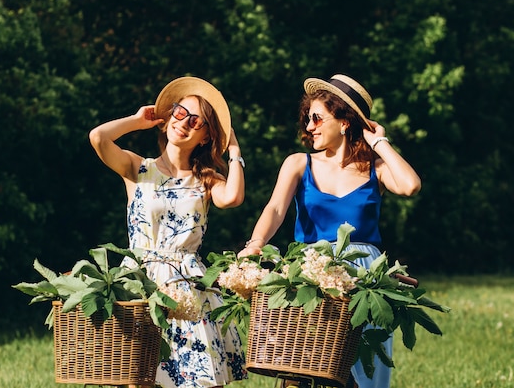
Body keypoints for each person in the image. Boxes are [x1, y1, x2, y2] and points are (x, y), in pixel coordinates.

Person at [237, 74, 421, 388]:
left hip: (365, 278)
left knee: (363, 367)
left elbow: (410, 185)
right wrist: (256, 243)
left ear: (345, 122)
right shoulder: (298, 163)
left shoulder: (375, 169)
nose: (310, 127)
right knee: (304, 362)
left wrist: (380, 142)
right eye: (308, 119)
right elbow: (276, 209)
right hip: (312, 271)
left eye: (318, 118)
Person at [89, 76, 247, 388]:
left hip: (186, 287)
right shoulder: (138, 168)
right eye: (178, 112)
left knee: (193, 378)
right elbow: (98, 138)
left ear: (205, 137)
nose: (183, 123)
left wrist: (234, 149)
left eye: (195, 120)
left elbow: (234, 197)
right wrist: (136, 121)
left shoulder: (207, 180)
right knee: (138, 375)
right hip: (140, 281)